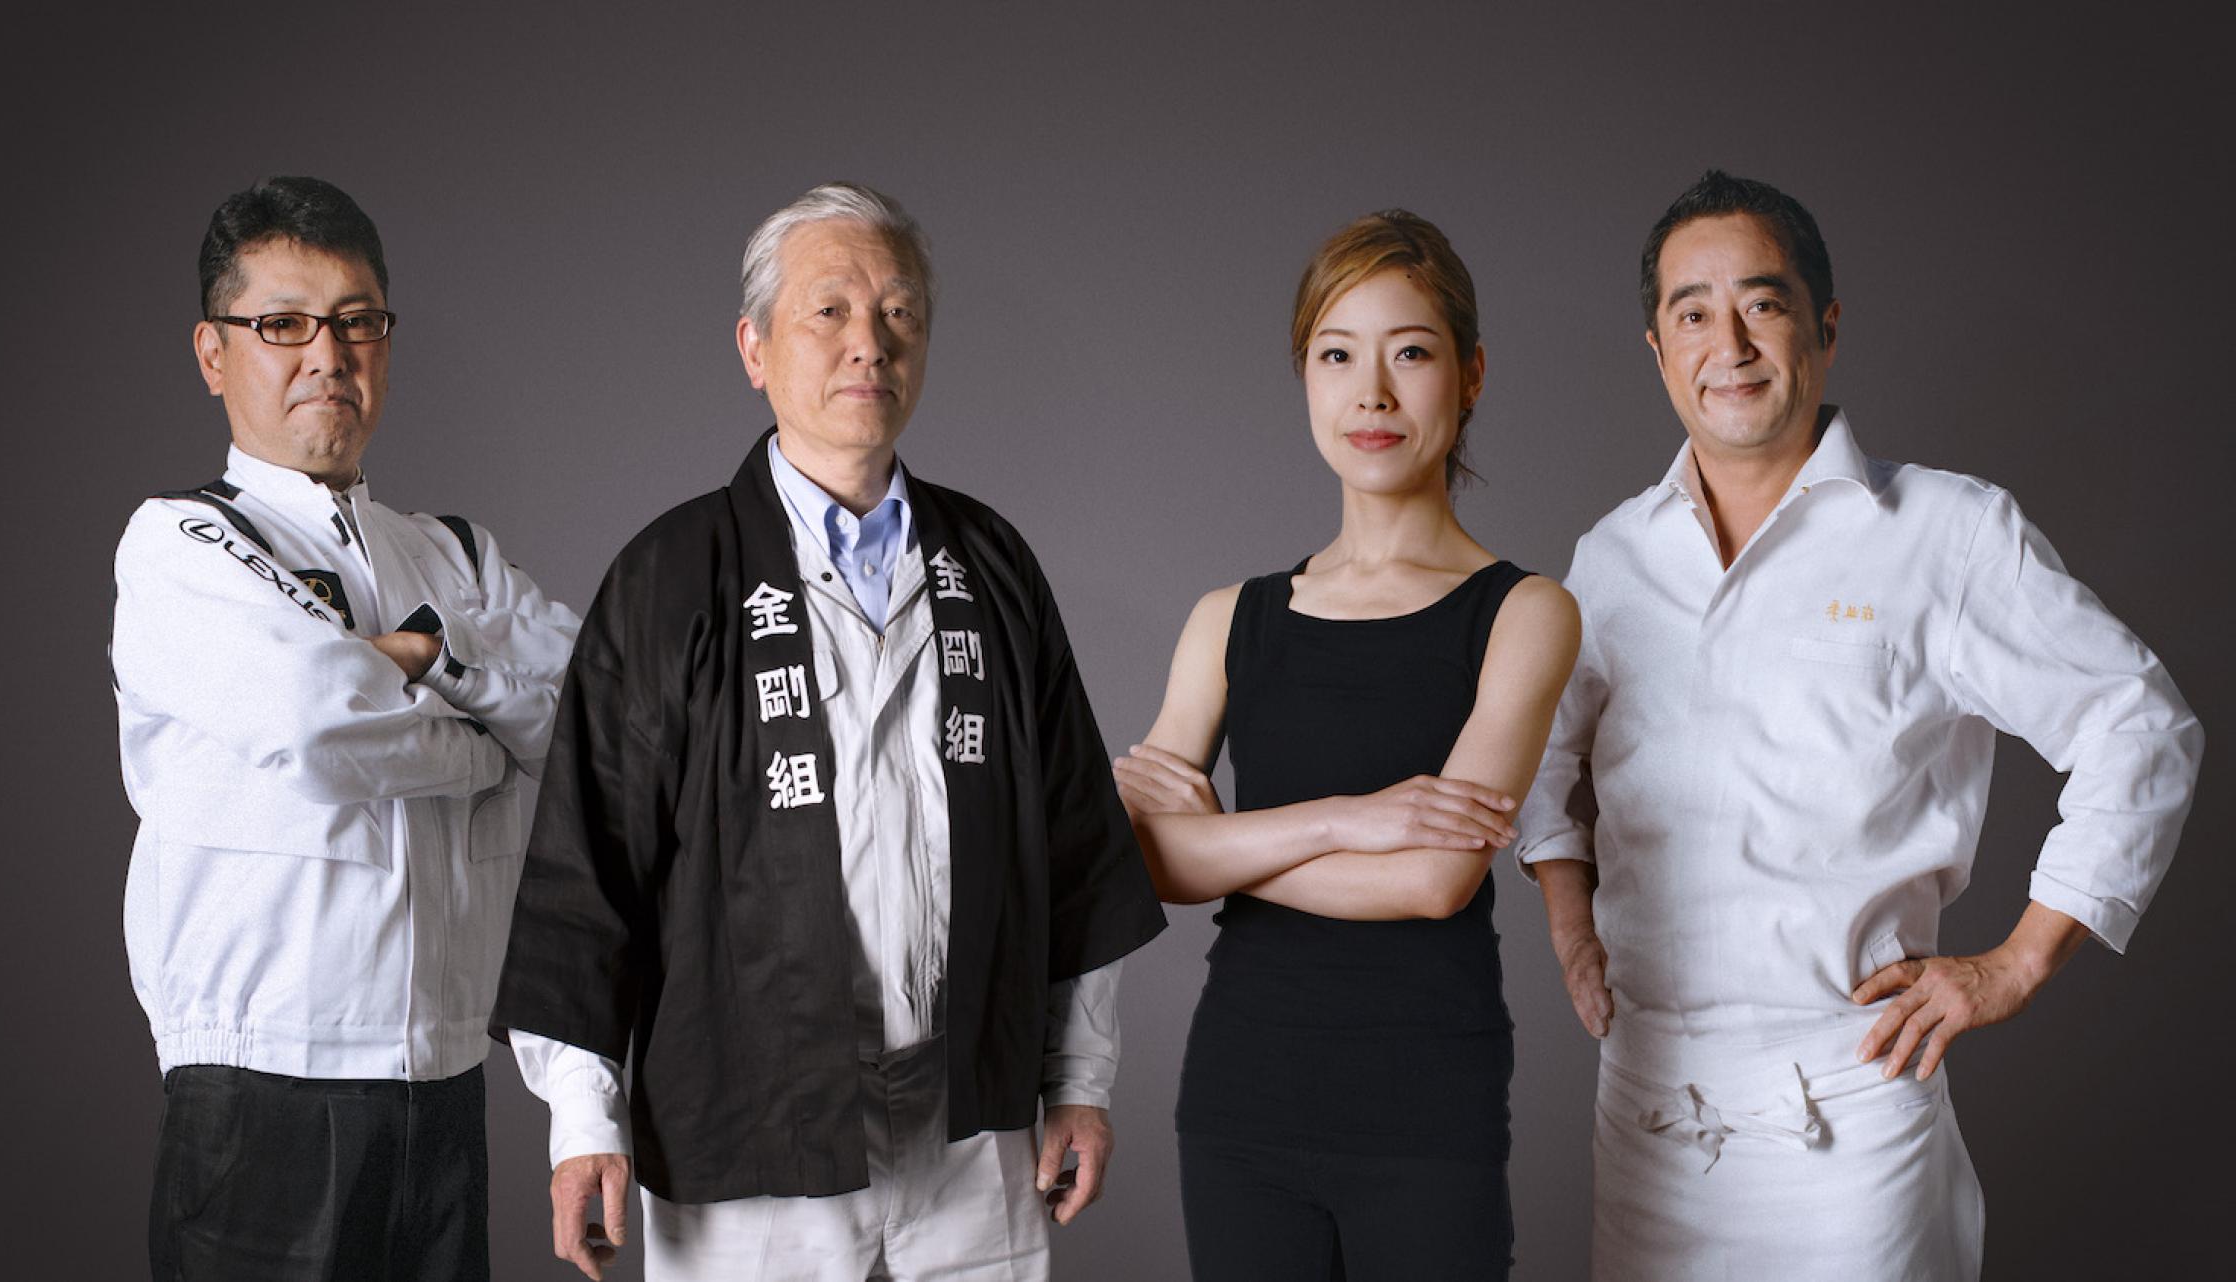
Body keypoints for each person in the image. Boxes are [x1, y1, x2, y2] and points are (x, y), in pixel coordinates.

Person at [1518, 170, 2205, 1279]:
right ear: (1657, 348)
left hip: (1850, 1095)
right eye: (1693, 313)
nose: (1728, 342)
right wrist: (1568, 926)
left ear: (1824, 327)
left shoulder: (1947, 532)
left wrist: (2015, 965)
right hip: (1645, 1101)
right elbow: (1544, 762)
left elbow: (2141, 723)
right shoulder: (1613, 556)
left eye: (1764, 303)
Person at [490, 181, 1167, 1281]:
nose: (871, 344)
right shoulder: (673, 577)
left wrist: (1078, 1078)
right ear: (754, 347)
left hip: (968, 1119)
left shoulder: (989, 564)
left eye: (899, 314)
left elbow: (1075, 845)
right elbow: (585, 869)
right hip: (750, 1125)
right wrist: (582, 1120)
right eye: (831, 312)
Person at [112, 175, 581, 1281]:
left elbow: (583, 717)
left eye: (357, 321)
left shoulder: (453, 553)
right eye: (282, 324)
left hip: (447, 1079)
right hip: (263, 1092)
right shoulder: (185, 544)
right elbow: (318, 722)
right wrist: (480, 735)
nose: (327, 353)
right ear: (214, 353)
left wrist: (421, 655)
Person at [1114, 210, 1579, 1281]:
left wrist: (1223, 841)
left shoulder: (1524, 611)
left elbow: (1432, 878)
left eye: (1409, 353)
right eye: (1337, 356)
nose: (1371, 393)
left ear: (1469, 373)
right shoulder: (1229, 616)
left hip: (1425, 1109)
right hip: (1240, 1101)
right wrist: (1346, 818)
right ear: (1306, 378)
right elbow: (1143, 862)